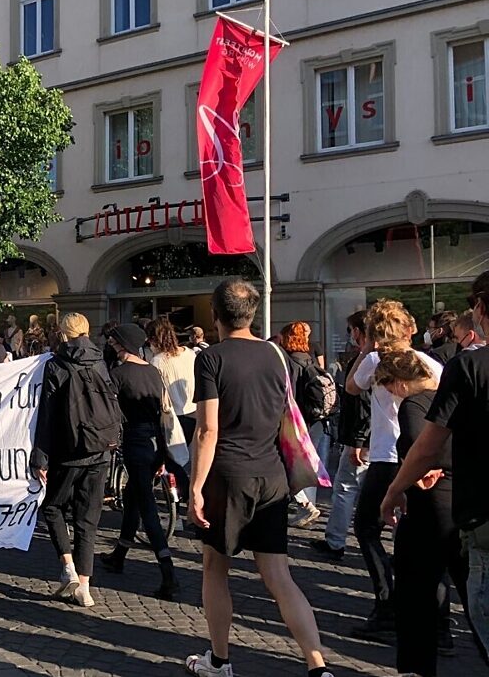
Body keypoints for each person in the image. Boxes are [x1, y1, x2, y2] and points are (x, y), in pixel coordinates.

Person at [185, 279, 332, 677]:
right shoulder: (276, 354)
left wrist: (195, 487)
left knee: (215, 568)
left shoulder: (210, 358)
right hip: (272, 475)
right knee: (279, 576)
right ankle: (318, 664)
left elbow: (207, 430)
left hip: (228, 475)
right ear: (252, 314)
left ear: (214, 314)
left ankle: (219, 660)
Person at [382, 271, 489, 666]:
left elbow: (427, 445)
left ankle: (419, 661)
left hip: (475, 509)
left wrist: (395, 490)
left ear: (479, 309)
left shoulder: (468, 367)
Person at [344, 298, 443, 642]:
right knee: (426, 539)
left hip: (387, 459)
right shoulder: (430, 363)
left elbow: (352, 386)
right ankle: (439, 627)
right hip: (422, 456)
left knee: (367, 528)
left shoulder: (374, 359)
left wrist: (368, 348)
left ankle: (387, 605)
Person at [372, 350, 466, 676]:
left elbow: (418, 444)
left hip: (427, 509)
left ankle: (415, 668)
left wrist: (397, 487)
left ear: (398, 382)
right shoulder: (444, 394)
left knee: (414, 594)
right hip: (460, 502)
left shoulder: (414, 404)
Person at [32, 312, 113, 608]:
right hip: (101, 449)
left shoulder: (56, 365)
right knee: (87, 520)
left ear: (63, 334)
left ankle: (68, 568)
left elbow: (48, 416)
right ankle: (86, 588)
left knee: (52, 506)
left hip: (69, 452)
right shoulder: (102, 360)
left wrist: (40, 457)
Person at [98, 323, 180, 600]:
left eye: (116, 343)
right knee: (133, 497)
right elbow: (161, 411)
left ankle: (168, 572)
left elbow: (110, 412)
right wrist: (162, 455)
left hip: (134, 441)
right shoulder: (153, 372)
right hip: (154, 442)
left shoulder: (118, 374)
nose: (113, 347)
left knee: (147, 508)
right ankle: (119, 555)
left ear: (124, 345)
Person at [310, 311, 372, 561]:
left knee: (346, 489)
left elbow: (361, 402)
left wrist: (357, 441)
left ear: (358, 331)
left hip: (363, 439)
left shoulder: (369, 358)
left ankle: (336, 541)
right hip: (371, 438)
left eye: (351, 330)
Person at [281, 321, 329, 529]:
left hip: (296, 418)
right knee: (306, 460)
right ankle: (307, 503)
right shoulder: (309, 359)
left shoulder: (291, 361)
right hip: (312, 417)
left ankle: (305, 504)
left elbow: (287, 393)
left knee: (289, 462)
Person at [148, 318, 196, 493]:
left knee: (171, 458)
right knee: (193, 458)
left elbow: (158, 394)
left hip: (172, 416)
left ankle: (186, 492)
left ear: (154, 339)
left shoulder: (157, 361)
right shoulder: (190, 354)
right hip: (194, 411)